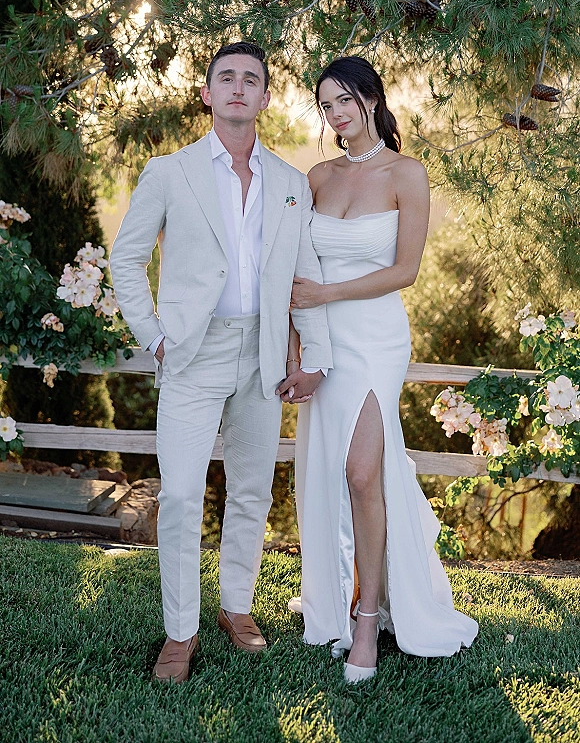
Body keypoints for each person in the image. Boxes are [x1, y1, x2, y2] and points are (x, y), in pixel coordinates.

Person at [110, 42, 332, 684]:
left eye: (251, 80)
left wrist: (313, 353)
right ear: (207, 94)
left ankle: (236, 606)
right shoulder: (168, 172)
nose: (238, 87)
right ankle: (180, 632)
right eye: (226, 78)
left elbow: (304, 273)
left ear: (265, 98)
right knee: (181, 495)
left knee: (253, 489)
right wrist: (154, 337)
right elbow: (127, 259)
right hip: (191, 352)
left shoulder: (290, 183)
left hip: (263, 351)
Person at [285, 56, 478, 683]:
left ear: (371, 98)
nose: (336, 113)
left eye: (345, 99)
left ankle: (369, 618)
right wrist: (298, 351)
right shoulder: (318, 177)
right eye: (326, 105)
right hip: (323, 341)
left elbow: (405, 271)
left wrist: (328, 294)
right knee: (329, 473)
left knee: (363, 473)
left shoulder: (407, 173)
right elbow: (297, 270)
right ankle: (342, 596)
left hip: (375, 340)